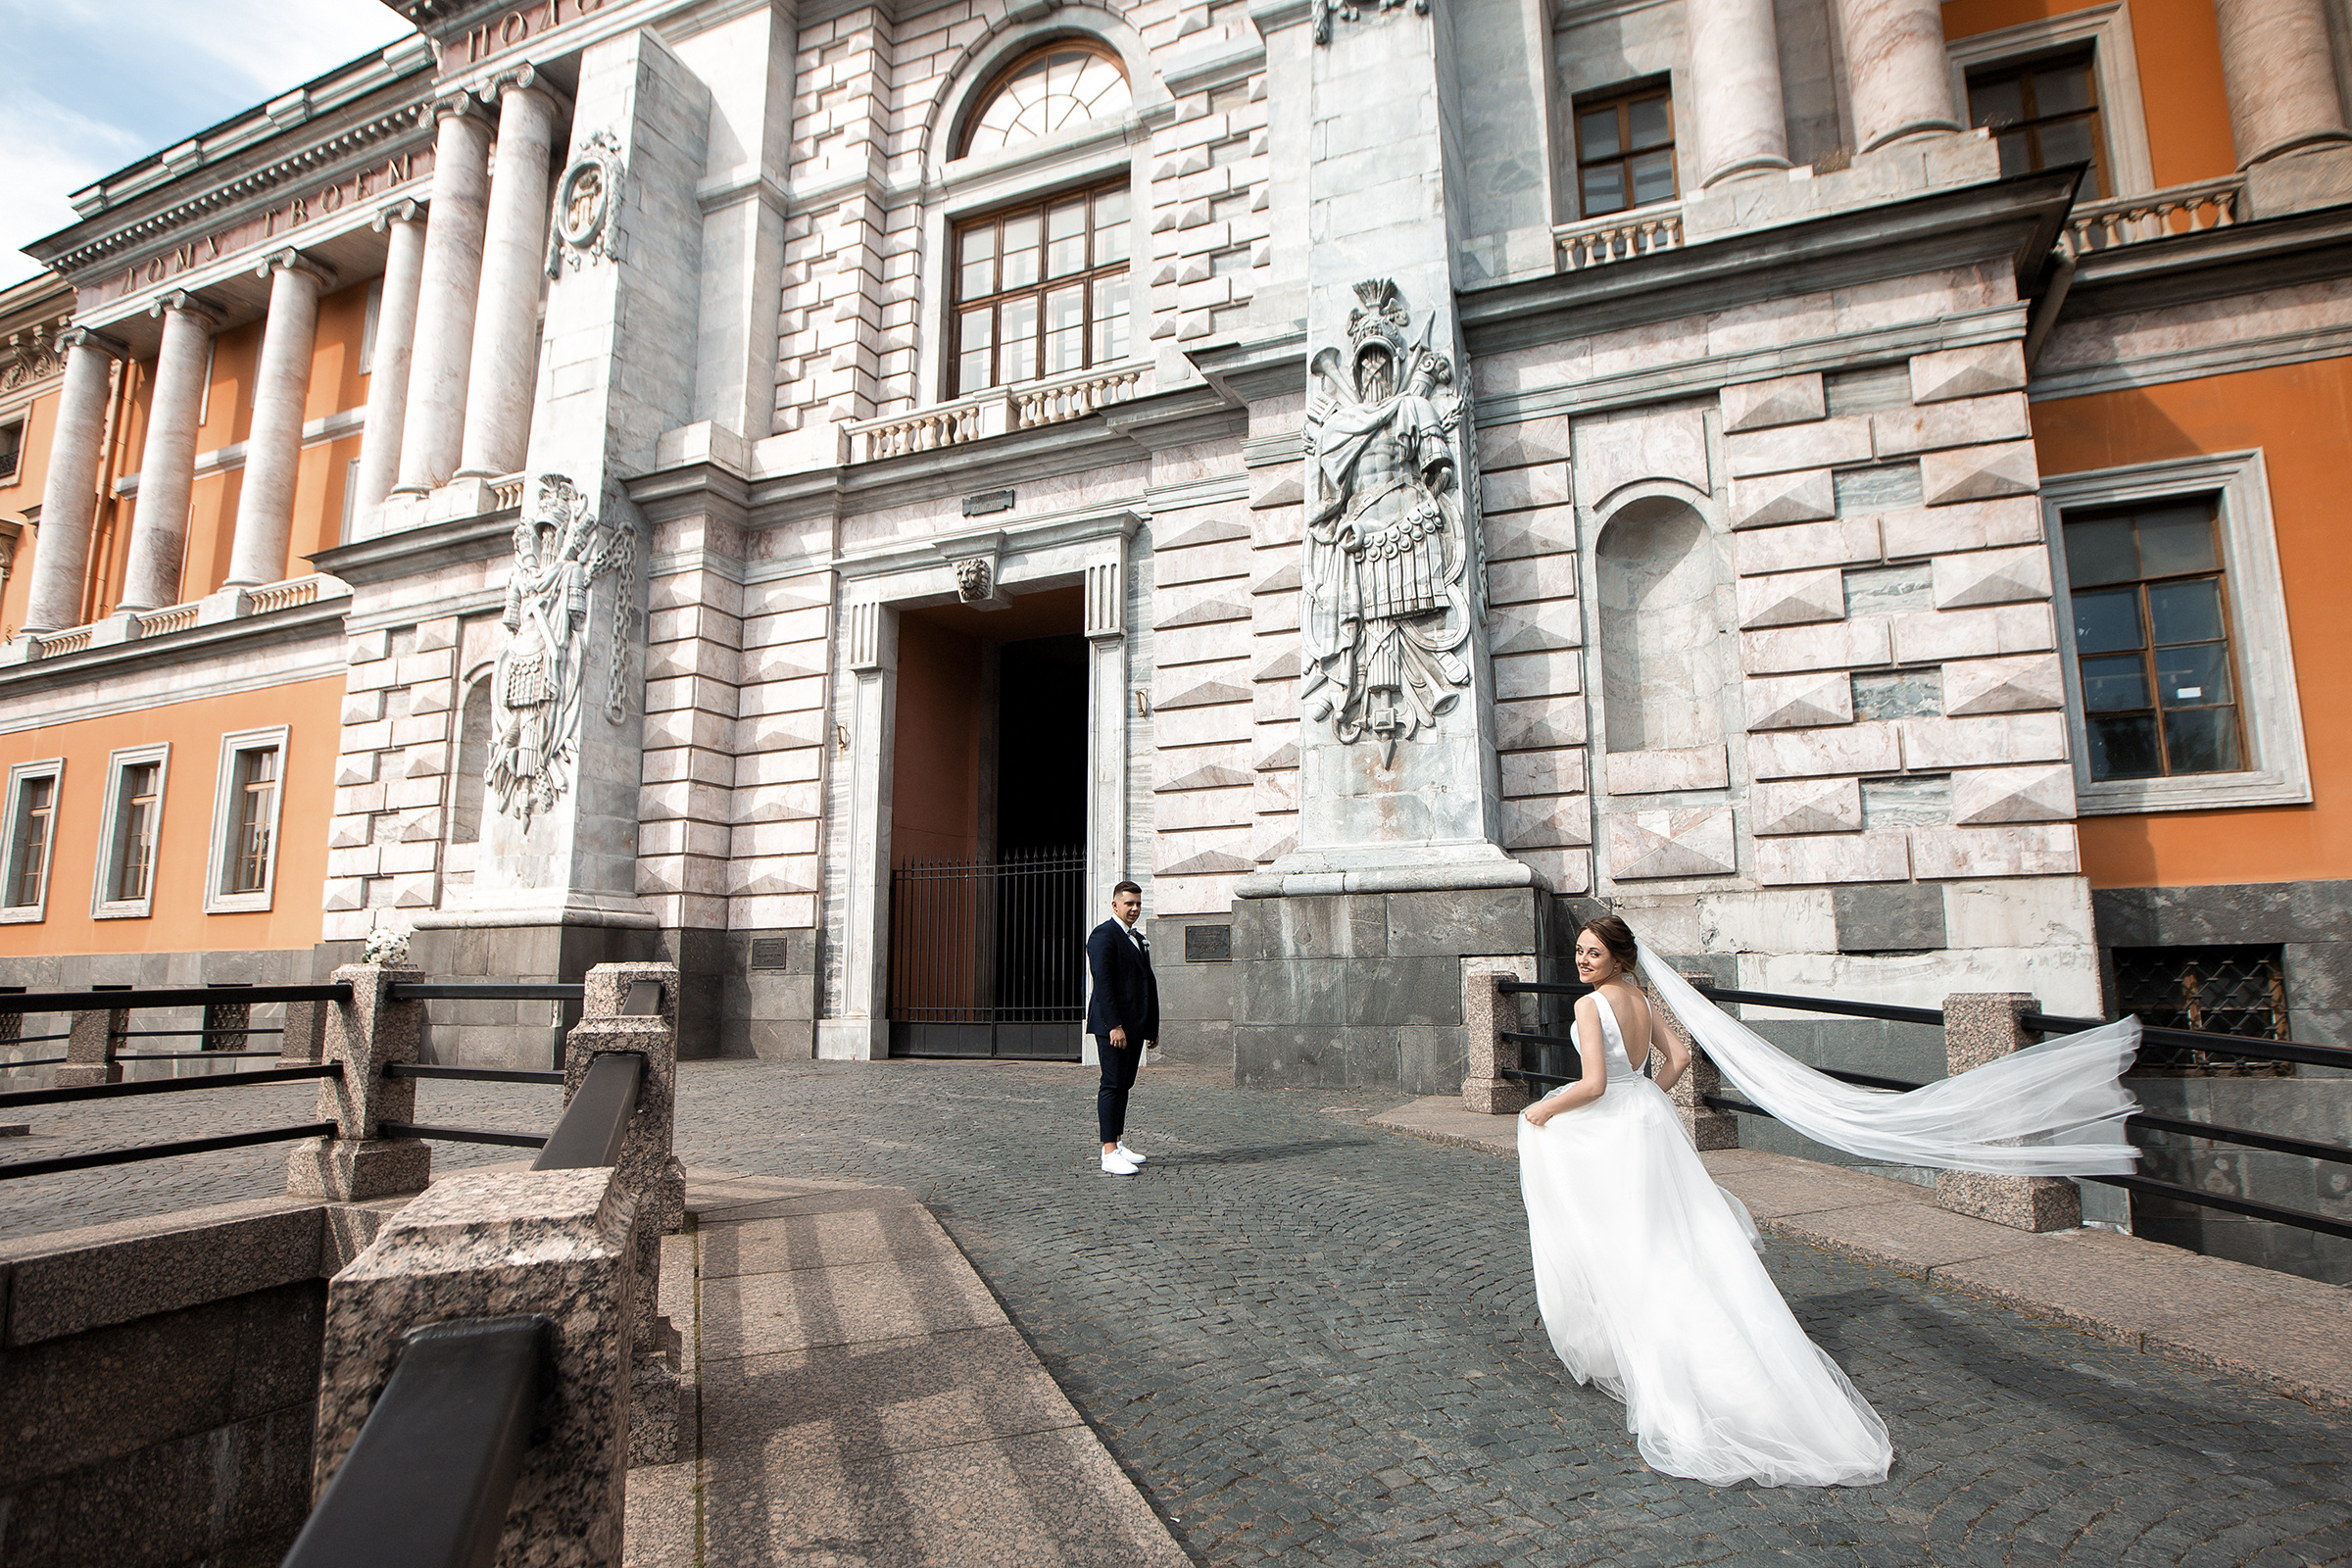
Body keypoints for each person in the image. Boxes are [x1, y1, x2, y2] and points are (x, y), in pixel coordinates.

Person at [1518, 914, 2142, 1489]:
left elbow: (1594, 1084)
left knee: (1628, 1236)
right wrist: (1646, 1096)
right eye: (1579, 952)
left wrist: (1546, 1105)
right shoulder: (1642, 998)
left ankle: (1650, 1356)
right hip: (1647, 1122)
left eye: (1592, 953)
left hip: (1617, 1125)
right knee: (1673, 1237)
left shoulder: (1591, 1003)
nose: (1581, 960)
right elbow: (1679, 1056)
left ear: (1619, 958)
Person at [1085, 881, 1158, 1176]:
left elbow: (1145, 984)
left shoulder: (1137, 938)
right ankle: (1108, 1151)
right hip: (1113, 1027)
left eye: (1138, 904)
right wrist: (1114, 1025)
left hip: (1134, 1027)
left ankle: (1117, 1140)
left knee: (1125, 1085)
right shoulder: (1104, 935)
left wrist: (1151, 1026)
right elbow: (1103, 984)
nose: (1135, 909)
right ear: (1115, 905)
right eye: (1129, 903)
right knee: (1112, 1084)